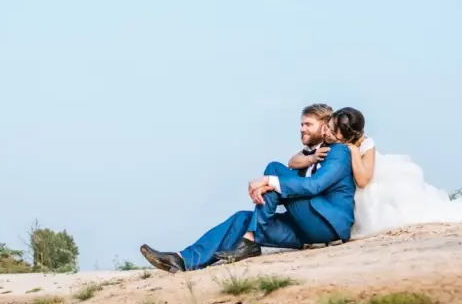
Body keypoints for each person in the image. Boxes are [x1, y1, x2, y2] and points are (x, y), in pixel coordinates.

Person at [140, 107, 360, 273]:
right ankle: (182, 260)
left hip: (326, 225)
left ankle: (250, 242)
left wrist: (268, 182)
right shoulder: (315, 153)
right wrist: (271, 183)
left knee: (274, 177)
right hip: (304, 230)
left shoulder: (339, 151)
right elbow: (294, 166)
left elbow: (315, 186)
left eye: (327, 128)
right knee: (242, 218)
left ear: (333, 130)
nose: (324, 131)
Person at [330, 108, 462, 240]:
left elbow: (363, 180)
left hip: (376, 184)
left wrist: (353, 152)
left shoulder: (365, 145)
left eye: (332, 129)